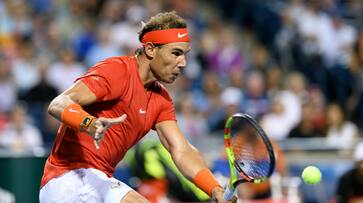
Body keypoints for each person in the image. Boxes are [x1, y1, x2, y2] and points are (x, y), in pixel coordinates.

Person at [39, 11, 233, 203]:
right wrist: (89, 123)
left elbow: (181, 150)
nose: (183, 63)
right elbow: (58, 104)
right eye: (175, 53)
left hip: (97, 182)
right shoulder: (117, 71)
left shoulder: (161, 100)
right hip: (67, 178)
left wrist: (214, 188)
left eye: (184, 54)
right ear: (150, 49)